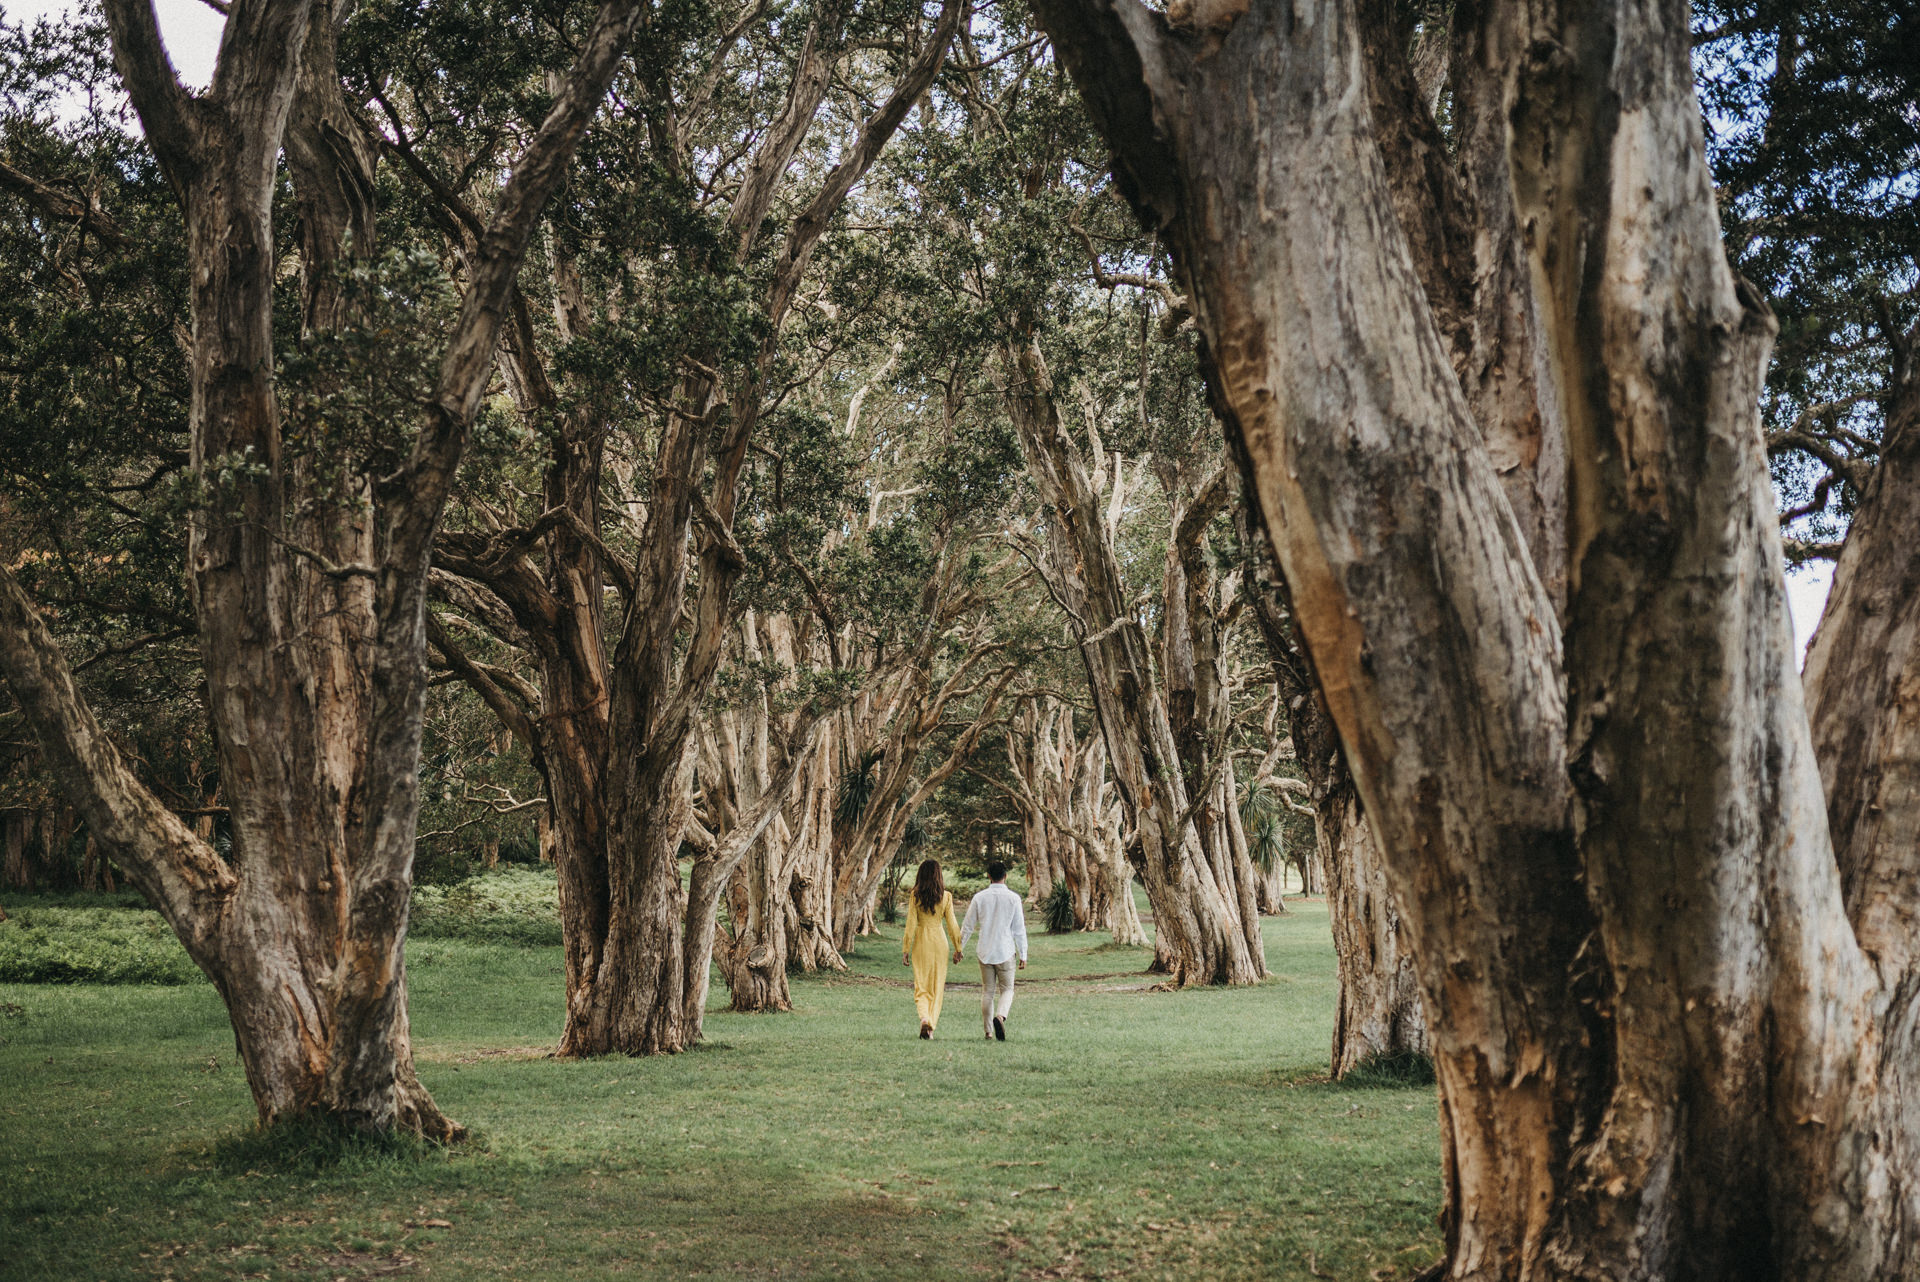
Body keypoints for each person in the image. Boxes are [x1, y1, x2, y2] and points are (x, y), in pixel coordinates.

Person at [959, 859, 1027, 1041]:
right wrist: (1023, 953)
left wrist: (959, 948)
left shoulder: (979, 898)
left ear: (989, 876)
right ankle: (1001, 1016)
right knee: (1007, 990)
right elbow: (1019, 929)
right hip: (1005, 951)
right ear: (1005, 876)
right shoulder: (1014, 898)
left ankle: (988, 1032)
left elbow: (967, 926)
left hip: (985, 950)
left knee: (987, 991)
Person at [901, 858, 963, 1039]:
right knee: (937, 987)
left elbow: (910, 924)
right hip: (940, 942)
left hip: (921, 942)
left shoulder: (915, 895)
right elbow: (952, 925)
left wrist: (906, 949)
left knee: (921, 985)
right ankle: (931, 1027)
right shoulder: (946, 896)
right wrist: (958, 948)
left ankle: (924, 1018)